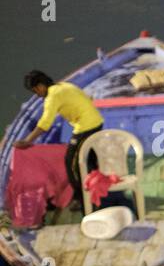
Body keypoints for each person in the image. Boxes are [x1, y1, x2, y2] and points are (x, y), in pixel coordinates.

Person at [14, 70, 104, 211]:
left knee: (71, 163)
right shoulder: (65, 86)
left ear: (41, 85)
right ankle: (99, 192)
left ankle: (81, 200)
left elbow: (45, 123)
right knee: (90, 161)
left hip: (86, 127)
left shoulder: (52, 96)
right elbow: (88, 98)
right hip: (97, 121)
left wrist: (27, 141)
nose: (37, 94)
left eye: (36, 90)